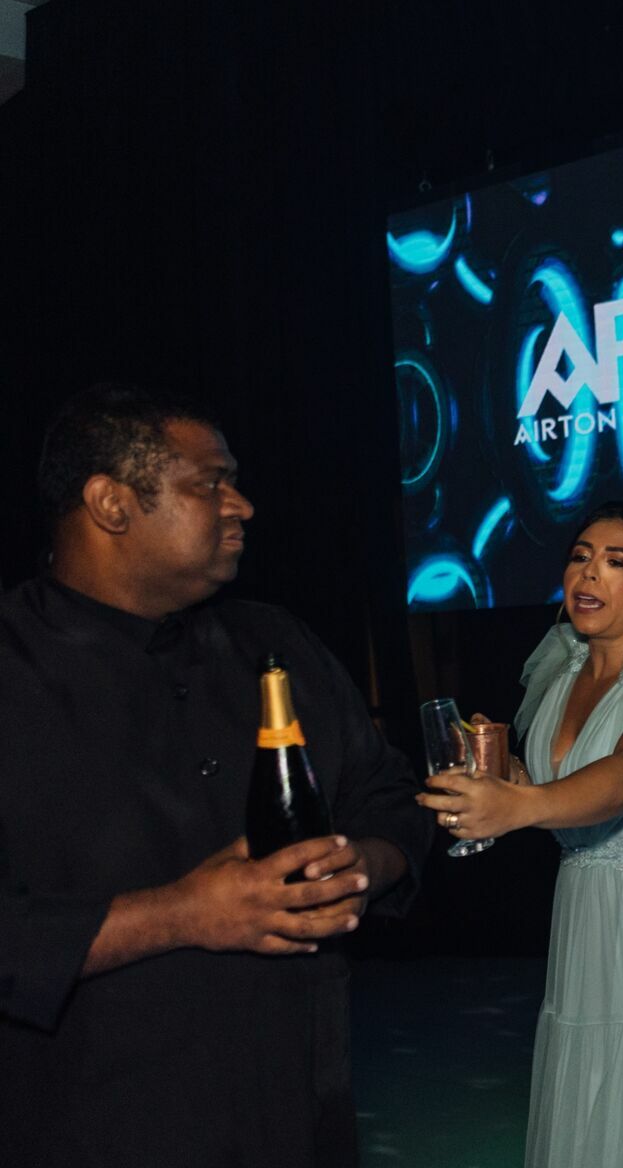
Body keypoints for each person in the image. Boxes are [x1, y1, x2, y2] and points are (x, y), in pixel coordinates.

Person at [0, 383, 429, 1166]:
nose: (242, 505)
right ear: (111, 504)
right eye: (210, 483)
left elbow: (391, 799)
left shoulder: (275, 644)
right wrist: (180, 914)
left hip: (299, 1123)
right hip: (91, 1131)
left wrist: (364, 864)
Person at [418, 500, 623, 1168]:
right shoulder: (561, 663)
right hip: (581, 922)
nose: (589, 574)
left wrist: (518, 809)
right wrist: (505, 777)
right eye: (580, 556)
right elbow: (559, 787)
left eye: (617, 562)